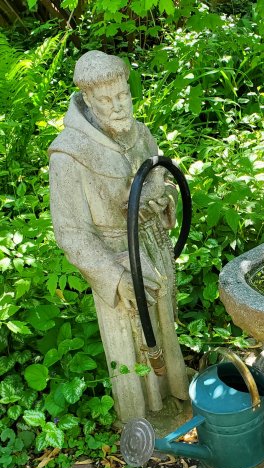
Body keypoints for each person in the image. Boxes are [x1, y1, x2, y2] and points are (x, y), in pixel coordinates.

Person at [49, 50, 188, 423]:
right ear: (88, 101)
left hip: (153, 249)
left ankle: (175, 391)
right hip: (114, 257)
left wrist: (163, 202)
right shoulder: (68, 153)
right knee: (132, 342)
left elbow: (156, 182)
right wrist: (114, 277)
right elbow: (70, 232)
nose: (118, 106)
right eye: (106, 100)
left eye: (123, 95)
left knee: (163, 330)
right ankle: (142, 420)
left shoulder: (141, 134)